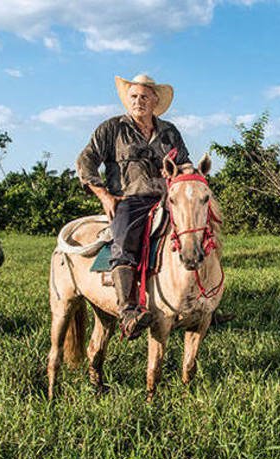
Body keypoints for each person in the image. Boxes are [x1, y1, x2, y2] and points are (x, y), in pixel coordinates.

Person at [76, 73, 190, 338]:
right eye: (134, 97)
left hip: (166, 197)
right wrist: (104, 195)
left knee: (195, 231)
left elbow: (184, 162)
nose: (138, 101)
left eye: (144, 97)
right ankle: (128, 311)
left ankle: (200, 302)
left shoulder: (170, 132)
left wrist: (189, 175)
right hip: (130, 199)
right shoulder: (112, 128)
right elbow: (85, 161)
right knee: (125, 240)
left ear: (155, 100)